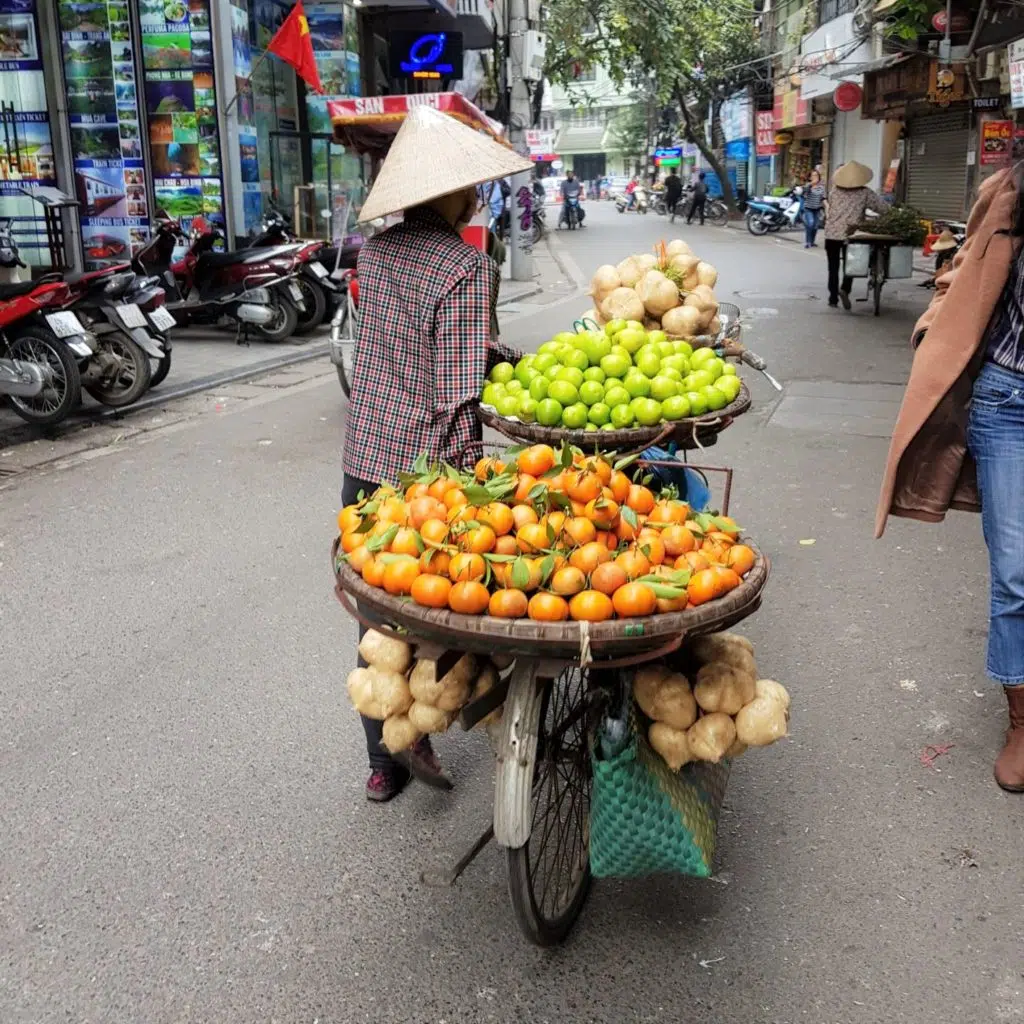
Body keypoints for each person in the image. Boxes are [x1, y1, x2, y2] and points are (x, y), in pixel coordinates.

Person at [343, 106, 531, 802]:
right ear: (455, 193)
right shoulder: (465, 268)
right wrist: (472, 482)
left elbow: (405, 344)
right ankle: (434, 716)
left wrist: (496, 353)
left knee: (374, 616)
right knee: (436, 612)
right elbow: (454, 394)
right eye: (472, 187)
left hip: (365, 455)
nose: (477, 197)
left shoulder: (377, 252)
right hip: (423, 472)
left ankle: (382, 761)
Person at [876, 163, 1024, 791]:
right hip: (1007, 401)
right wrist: (937, 320)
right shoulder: (1009, 191)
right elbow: (960, 270)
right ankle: (1021, 719)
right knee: (1016, 569)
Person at [823, 161, 887, 309]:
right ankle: (845, 289)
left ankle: (833, 299)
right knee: (851, 266)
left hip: (831, 234)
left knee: (832, 267)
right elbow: (882, 208)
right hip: (851, 235)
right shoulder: (865, 192)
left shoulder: (834, 191)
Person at [802, 169, 826, 248]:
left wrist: (827, 207)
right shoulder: (807, 185)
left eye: (817, 175)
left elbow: (823, 198)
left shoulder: (821, 187)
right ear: (810, 177)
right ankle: (808, 242)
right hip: (808, 208)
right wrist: (811, 184)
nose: (815, 177)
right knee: (811, 223)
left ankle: (812, 242)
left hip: (817, 208)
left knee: (815, 226)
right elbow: (804, 192)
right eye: (813, 175)